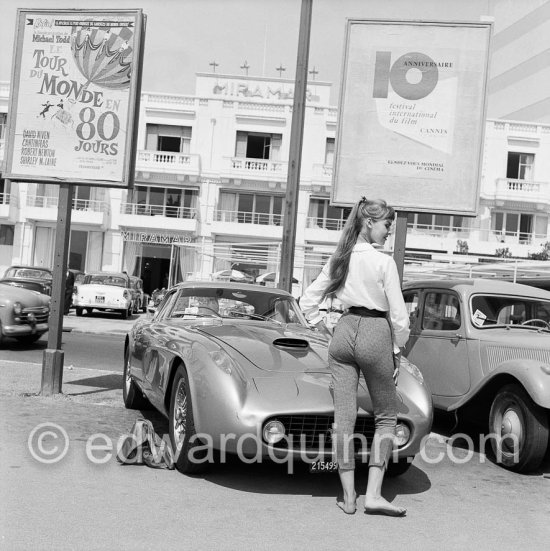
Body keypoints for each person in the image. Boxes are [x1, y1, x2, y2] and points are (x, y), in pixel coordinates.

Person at [300, 197, 410, 517]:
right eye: (387, 224)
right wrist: (396, 349)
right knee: (386, 416)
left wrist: (323, 328)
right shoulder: (383, 262)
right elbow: (400, 318)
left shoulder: (341, 257)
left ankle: (348, 497)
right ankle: (373, 495)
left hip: (344, 329)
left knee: (343, 420)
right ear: (369, 223)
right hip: (376, 331)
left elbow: (308, 300)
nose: (389, 231)